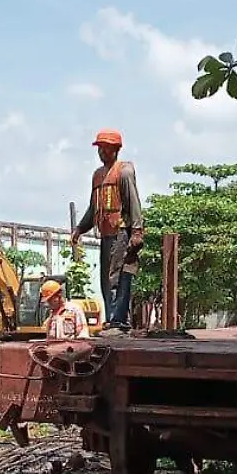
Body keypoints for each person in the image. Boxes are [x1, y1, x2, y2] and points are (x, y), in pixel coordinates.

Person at [72, 129, 144, 335]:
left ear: (115, 150)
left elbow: (133, 202)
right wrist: (80, 228)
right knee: (105, 277)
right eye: (99, 148)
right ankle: (112, 318)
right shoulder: (98, 176)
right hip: (104, 233)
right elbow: (93, 207)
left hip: (121, 231)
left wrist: (137, 231)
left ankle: (118, 320)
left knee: (118, 276)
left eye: (105, 148)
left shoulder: (124, 172)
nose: (101, 152)